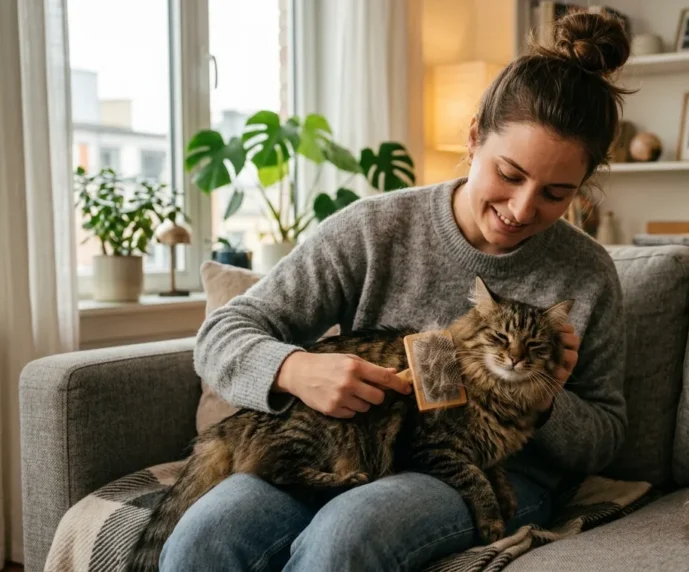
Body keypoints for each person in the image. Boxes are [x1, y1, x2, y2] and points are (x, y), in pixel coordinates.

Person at [162, 10, 631, 572]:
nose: (523, 209)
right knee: (203, 540)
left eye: (556, 193)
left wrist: (547, 398)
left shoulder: (587, 273)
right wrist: (295, 369)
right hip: (345, 444)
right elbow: (221, 335)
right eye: (509, 174)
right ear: (475, 136)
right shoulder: (372, 229)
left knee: (346, 538)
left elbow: (606, 437)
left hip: (496, 470)